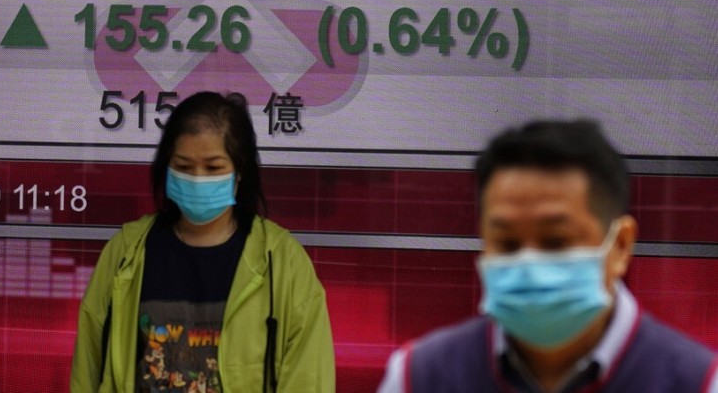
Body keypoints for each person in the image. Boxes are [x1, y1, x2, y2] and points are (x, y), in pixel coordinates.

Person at [377, 119, 718, 393]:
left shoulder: (697, 382)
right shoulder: (417, 378)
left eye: (556, 241)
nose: (529, 265)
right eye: (507, 243)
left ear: (621, 246)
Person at [71, 91, 335, 392]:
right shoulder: (125, 253)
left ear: (240, 170)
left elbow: (309, 379)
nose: (197, 178)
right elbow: (88, 367)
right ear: (166, 167)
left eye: (213, 168)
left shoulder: (283, 262)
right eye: (183, 167)